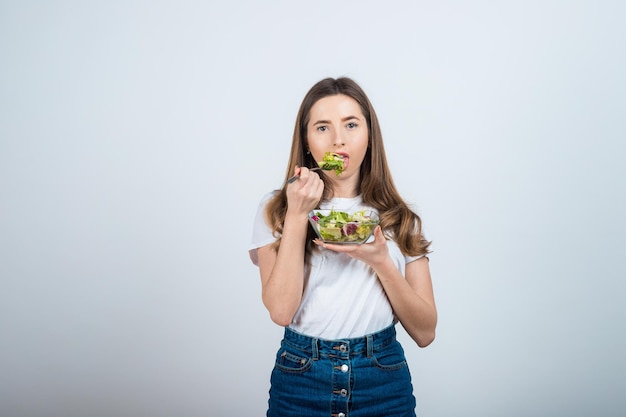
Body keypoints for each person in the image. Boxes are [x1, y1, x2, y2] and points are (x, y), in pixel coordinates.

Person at [249, 77, 437, 417]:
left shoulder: (400, 218)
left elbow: (425, 332)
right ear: (306, 141)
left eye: (351, 124)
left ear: (369, 135)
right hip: (301, 378)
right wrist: (297, 214)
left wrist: (381, 262)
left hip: (383, 381)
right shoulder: (276, 209)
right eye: (322, 127)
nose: (338, 139)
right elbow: (280, 311)